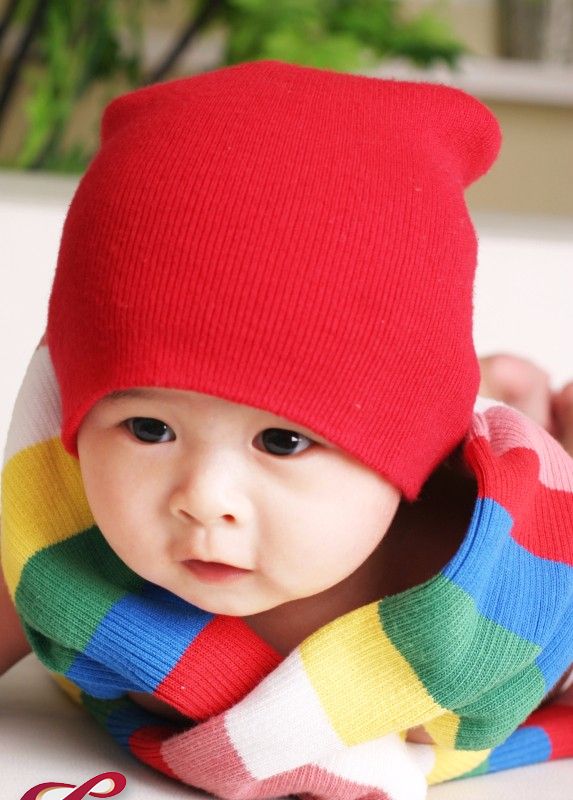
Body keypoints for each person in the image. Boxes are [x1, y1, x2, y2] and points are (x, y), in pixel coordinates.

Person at [1, 60, 572, 800]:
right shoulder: (61, 539)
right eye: (148, 427)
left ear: (415, 457)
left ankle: (513, 396)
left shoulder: (497, 593)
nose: (204, 498)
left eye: (282, 441)